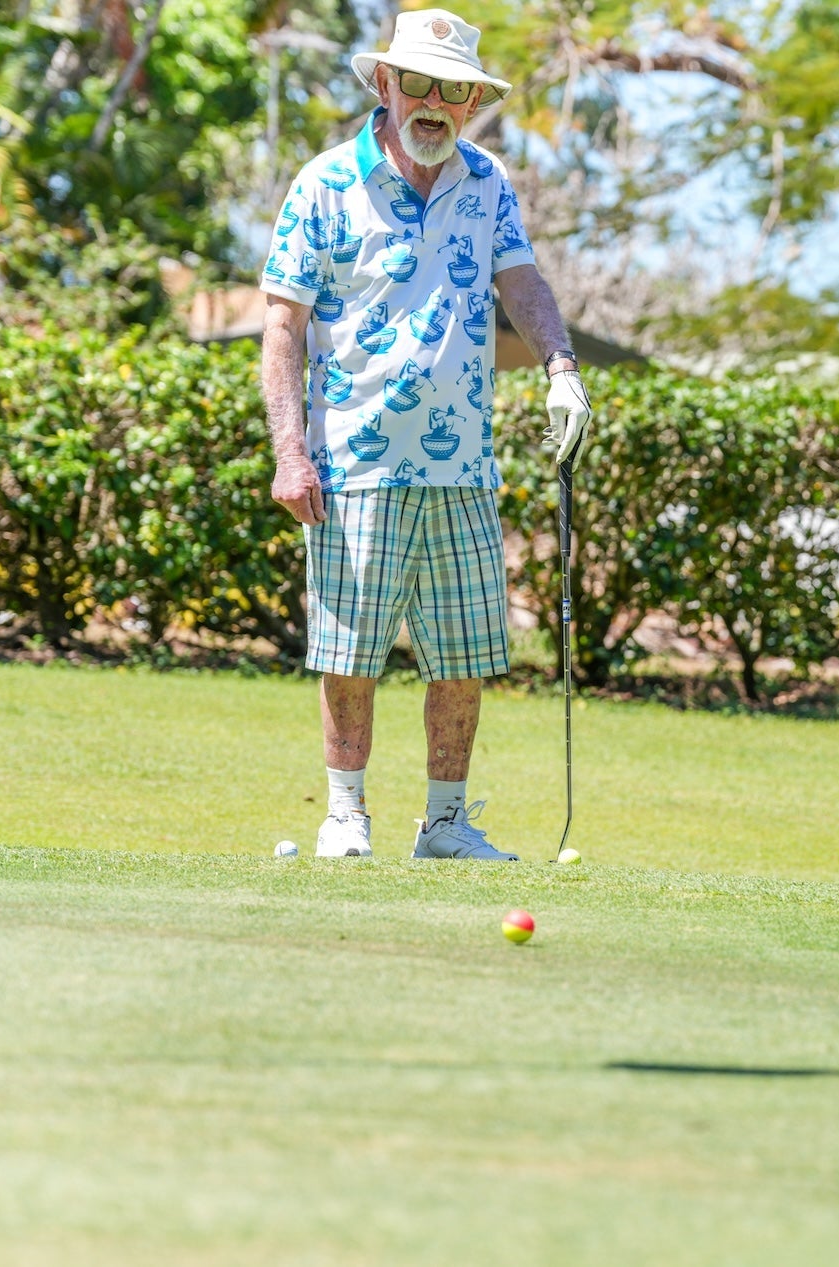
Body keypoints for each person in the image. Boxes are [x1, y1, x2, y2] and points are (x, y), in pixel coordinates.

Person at [258, 9, 591, 860]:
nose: (436, 103)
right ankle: (345, 815)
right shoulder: (324, 183)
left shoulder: (487, 182)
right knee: (350, 652)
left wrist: (561, 367)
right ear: (384, 84)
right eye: (420, 83)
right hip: (352, 461)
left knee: (464, 652)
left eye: (456, 90)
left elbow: (523, 283)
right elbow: (282, 330)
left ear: (475, 100)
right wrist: (290, 452)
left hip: (462, 468)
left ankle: (445, 823)